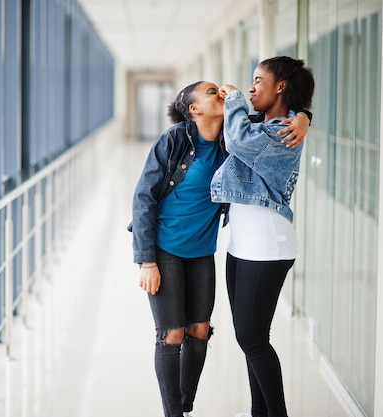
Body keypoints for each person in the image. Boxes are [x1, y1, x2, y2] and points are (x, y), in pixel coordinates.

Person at [130, 80, 310, 417]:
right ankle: (174, 414)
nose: (222, 94)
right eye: (212, 92)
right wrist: (146, 260)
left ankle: (185, 404)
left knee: (199, 330)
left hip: (201, 251)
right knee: (172, 334)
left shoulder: (234, 139)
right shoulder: (174, 141)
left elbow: (275, 119)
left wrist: (304, 117)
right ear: (194, 109)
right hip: (165, 249)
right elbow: (143, 197)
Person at [210, 56, 315, 417]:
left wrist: (237, 98)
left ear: (281, 85)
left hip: (267, 245)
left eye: (258, 80)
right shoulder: (267, 123)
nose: (251, 87)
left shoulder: (283, 130)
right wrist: (307, 115)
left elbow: (237, 138)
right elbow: (234, 132)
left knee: (251, 338)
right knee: (252, 337)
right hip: (242, 244)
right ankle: (259, 413)